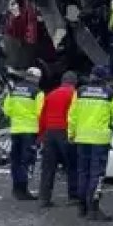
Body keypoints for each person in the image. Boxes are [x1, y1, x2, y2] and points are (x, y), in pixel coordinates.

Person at [69, 66, 113, 220]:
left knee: (83, 172)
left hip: (82, 138)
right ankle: (94, 208)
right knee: (96, 174)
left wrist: (71, 134)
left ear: (91, 76)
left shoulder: (80, 91)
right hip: (100, 139)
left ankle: (82, 207)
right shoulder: (110, 93)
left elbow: (72, 114)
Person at [37, 71, 80, 208]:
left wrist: (41, 135)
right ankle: (73, 196)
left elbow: (42, 116)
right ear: (74, 82)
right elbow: (75, 115)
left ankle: (44, 197)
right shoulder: (74, 95)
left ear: (62, 81)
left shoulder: (51, 94)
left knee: (48, 167)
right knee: (72, 166)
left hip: (50, 132)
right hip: (65, 132)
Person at [2, 67, 44, 201]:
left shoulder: (14, 90)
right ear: (37, 79)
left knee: (16, 160)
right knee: (27, 161)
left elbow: (7, 110)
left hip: (15, 130)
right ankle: (24, 190)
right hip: (30, 131)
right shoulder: (38, 92)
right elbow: (40, 113)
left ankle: (16, 188)